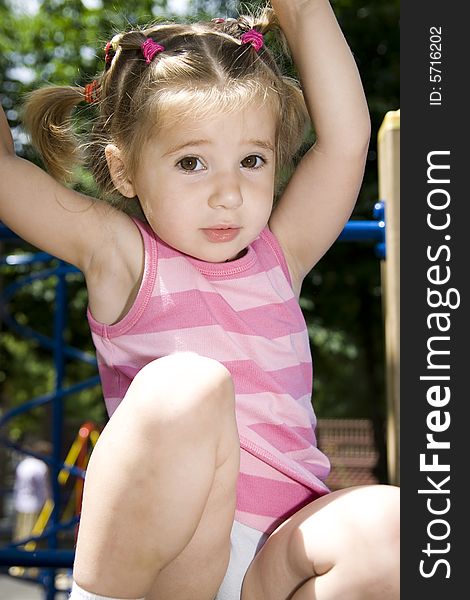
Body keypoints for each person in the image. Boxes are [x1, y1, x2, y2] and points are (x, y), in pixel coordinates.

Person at [0, 1, 399, 599]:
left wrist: (306, 13)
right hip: (179, 558)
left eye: (252, 160)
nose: (228, 193)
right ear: (125, 170)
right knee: (189, 385)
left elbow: (345, 142)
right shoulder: (122, 254)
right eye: (191, 162)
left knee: (395, 526)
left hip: (279, 558)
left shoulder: (279, 257)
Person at [12, 440, 52, 544]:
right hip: (35, 504)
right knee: (32, 534)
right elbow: (44, 487)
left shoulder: (24, 464)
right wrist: (49, 499)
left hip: (20, 502)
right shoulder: (40, 466)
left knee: (21, 532)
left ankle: (19, 555)